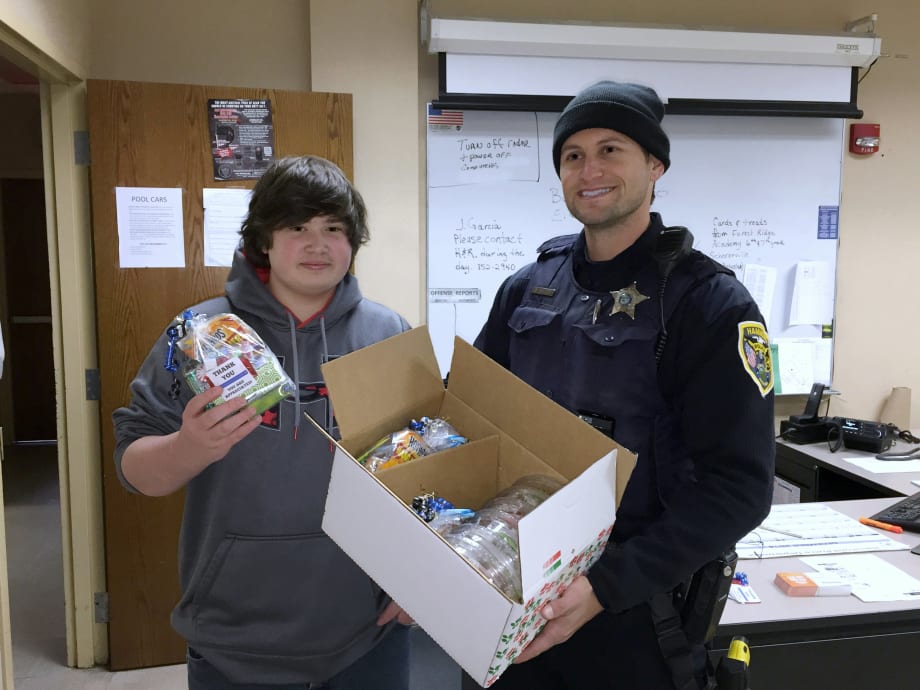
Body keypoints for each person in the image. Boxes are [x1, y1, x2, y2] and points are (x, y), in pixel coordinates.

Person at [473, 81, 775, 689]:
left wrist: (603, 588)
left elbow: (739, 487)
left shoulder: (707, 304)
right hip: (516, 590)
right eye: (573, 155)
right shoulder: (527, 288)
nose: (590, 170)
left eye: (611, 149)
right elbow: (474, 415)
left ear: (655, 164)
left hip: (634, 614)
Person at [113, 156, 413, 689]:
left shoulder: (388, 332)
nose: (318, 245)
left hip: (366, 635)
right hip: (233, 639)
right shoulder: (198, 334)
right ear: (263, 241)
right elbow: (134, 470)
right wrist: (189, 446)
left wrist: (424, 581)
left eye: (334, 229)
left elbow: (430, 465)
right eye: (297, 227)